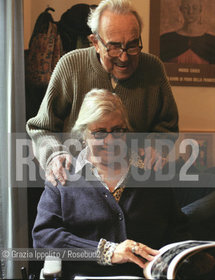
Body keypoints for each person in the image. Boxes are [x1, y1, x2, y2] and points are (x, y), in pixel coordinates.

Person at [32, 89, 189, 278]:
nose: (110, 140)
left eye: (117, 131)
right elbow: (44, 237)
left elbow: (178, 229)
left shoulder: (151, 174)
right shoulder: (63, 176)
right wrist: (107, 252)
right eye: (99, 133)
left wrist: (188, 258)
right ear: (83, 134)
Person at [26, 0, 179, 186]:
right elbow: (41, 128)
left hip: (133, 186)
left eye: (132, 45)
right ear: (95, 43)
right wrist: (53, 155)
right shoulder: (70, 65)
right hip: (77, 186)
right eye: (114, 48)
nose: (124, 58)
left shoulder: (153, 68)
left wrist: (157, 145)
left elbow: (167, 126)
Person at [160, 0, 215, 64]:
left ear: (200, 9)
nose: (190, 12)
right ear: (180, 9)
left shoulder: (212, 41)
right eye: (186, 7)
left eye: (195, 8)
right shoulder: (165, 40)